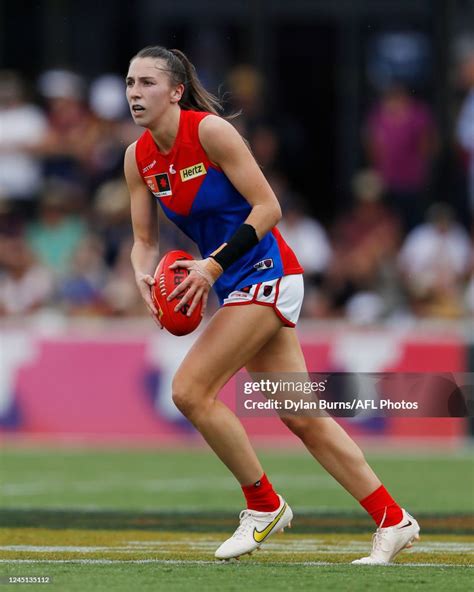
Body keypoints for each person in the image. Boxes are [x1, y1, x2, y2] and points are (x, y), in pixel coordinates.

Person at [124, 45, 420, 564]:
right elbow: (143, 239)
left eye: (147, 83)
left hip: (267, 272)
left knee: (190, 390)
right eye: (129, 83)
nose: (134, 93)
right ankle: (393, 519)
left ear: (175, 91)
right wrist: (140, 271)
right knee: (303, 417)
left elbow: (270, 207)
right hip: (235, 284)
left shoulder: (210, 132)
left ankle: (263, 506)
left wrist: (212, 265)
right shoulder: (138, 158)